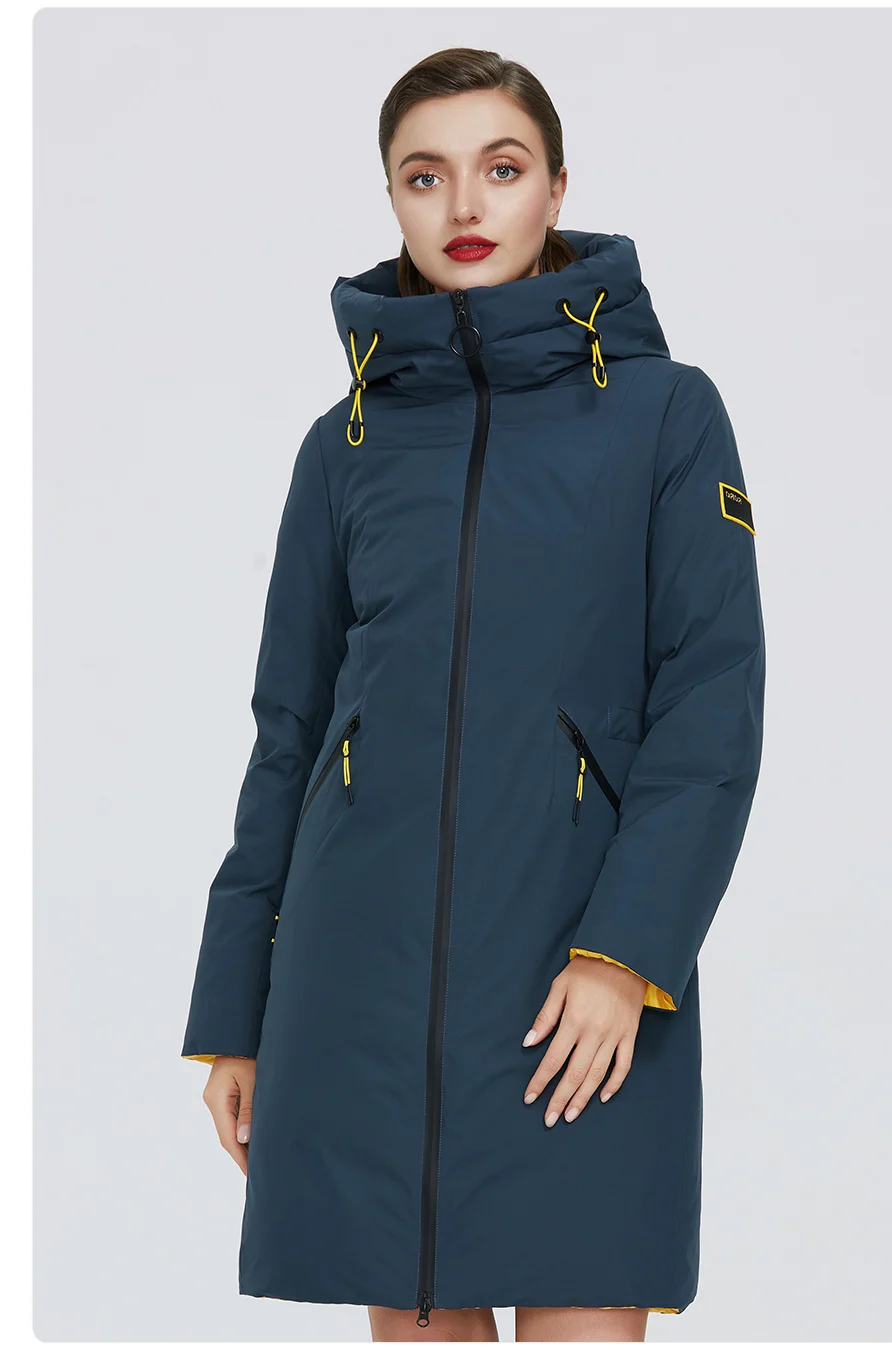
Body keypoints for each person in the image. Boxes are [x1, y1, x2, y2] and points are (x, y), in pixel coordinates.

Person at [180, 46, 766, 1344]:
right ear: (391, 196)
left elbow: (711, 707)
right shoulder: (343, 446)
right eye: (423, 175)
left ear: (556, 187)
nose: (463, 206)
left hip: (578, 982)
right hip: (357, 986)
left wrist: (627, 954)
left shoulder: (666, 417)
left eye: (500, 170)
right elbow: (288, 733)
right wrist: (235, 1013)